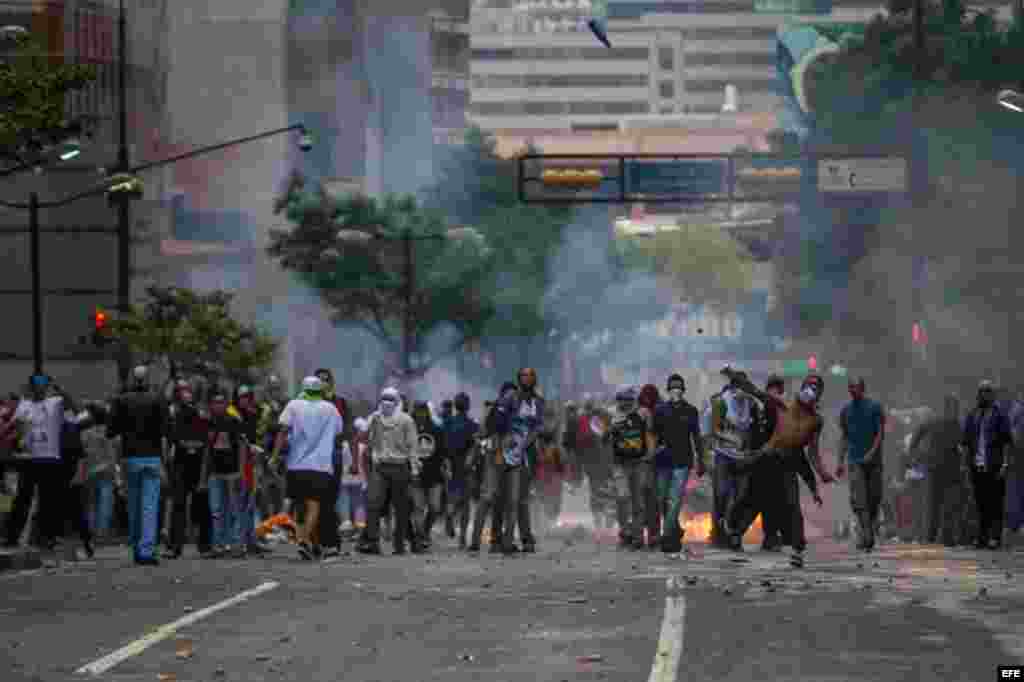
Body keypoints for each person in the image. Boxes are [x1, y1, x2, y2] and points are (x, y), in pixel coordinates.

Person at [723, 368, 832, 568]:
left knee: (792, 505)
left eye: (815, 388)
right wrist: (734, 376)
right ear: (803, 388)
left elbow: (812, 452)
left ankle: (797, 549)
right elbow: (755, 392)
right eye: (809, 386)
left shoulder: (816, 420)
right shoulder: (784, 405)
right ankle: (734, 529)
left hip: (789, 463)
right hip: (767, 458)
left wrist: (822, 474)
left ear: (819, 395)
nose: (811, 391)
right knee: (753, 497)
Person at [271, 377, 344, 560]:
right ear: (321, 390)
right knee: (314, 506)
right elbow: (338, 433)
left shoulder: (294, 405)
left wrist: (274, 456)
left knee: (299, 506)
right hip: (320, 466)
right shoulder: (331, 409)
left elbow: (282, 431)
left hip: (296, 465)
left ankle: (306, 541)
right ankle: (304, 540)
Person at [2, 375, 76, 551]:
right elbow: (14, 427)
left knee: (48, 499)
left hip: (49, 458)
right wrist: (17, 435)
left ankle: (47, 537)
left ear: (47, 387)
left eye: (43, 386)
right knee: (22, 498)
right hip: (28, 458)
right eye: (36, 386)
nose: (39, 390)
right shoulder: (25, 405)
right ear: (31, 387)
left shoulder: (55, 403)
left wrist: (61, 389)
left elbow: (72, 408)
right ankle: (12, 535)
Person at [106, 366, 167, 566]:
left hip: (130, 457)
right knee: (149, 506)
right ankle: (146, 550)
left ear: (132, 379)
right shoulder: (158, 399)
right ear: (147, 380)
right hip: (152, 457)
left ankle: (136, 547)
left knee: (133, 505)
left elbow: (110, 430)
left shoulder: (121, 400)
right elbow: (166, 430)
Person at [358, 387, 417, 556]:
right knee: (373, 504)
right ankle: (373, 542)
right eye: (384, 398)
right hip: (380, 468)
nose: (387, 401)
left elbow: (413, 446)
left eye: (390, 398)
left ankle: (399, 544)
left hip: (401, 467)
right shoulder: (375, 418)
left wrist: (414, 469)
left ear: (397, 400)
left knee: (401, 508)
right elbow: (363, 437)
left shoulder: (406, 420)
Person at [708, 370, 761, 551]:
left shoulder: (751, 403)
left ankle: (734, 533)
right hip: (723, 455)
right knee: (722, 493)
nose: (742, 392)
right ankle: (719, 531)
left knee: (741, 497)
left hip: (743, 457)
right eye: (739, 387)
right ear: (733, 386)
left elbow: (754, 429)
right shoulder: (721, 402)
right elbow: (714, 429)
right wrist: (731, 439)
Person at [652, 374, 704, 553]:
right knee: (662, 500)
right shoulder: (660, 410)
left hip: (682, 462)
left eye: (679, 387)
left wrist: (701, 459)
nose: (676, 390)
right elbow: (653, 435)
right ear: (668, 389)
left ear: (683, 390)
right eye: (673, 387)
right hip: (663, 462)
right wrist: (652, 454)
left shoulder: (691, 411)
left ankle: (667, 538)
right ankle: (674, 533)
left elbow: (696, 437)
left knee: (674, 501)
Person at [959, 380, 1013, 549]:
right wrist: (964, 464)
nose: (984, 395)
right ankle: (982, 537)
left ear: (992, 394)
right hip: (977, 465)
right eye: (982, 392)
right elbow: (965, 442)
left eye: (988, 392)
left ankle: (995, 537)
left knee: (996, 502)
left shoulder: (1000, 415)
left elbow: (1007, 441)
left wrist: (1005, 463)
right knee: (981, 503)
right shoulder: (973, 414)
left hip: (995, 464)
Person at [497, 369, 546, 553]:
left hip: (527, 453)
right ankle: (506, 539)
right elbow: (499, 420)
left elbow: (538, 427)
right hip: (507, 451)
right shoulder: (510, 397)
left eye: (531, 375)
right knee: (509, 498)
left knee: (522, 499)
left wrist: (525, 444)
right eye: (524, 376)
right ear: (519, 379)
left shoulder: (538, 401)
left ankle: (526, 539)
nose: (527, 379)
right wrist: (505, 438)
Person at [837, 378, 887, 552]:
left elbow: (880, 433)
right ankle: (867, 535)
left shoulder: (875, 407)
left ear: (862, 388)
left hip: (874, 462)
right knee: (860, 500)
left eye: (855, 387)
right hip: (855, 461)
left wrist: (872, 453)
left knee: (874, 498)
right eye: (849, 387)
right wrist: (840, 461)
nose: (852, 390)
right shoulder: (845, 411)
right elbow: (844, 437)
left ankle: (868, 529)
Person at [165, 381, 211, 559]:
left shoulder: (201, 413)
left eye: (188, 391)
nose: (186, 394)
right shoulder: (173, 413)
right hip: (180, 464)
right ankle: (175, 546)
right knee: (178, 505)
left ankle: (204, 545)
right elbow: (170, 438)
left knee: (201, 504)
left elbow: (206, 439)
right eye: (182, 391)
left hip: (198, 463)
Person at [605, 388, 656, 550]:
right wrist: (610, 430)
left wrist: (650, 454)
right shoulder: (611, 414)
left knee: (638, 502)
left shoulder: (643, 414)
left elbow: (649, 434)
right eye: (622, 399)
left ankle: (638, 537)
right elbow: (603, 438)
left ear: (633, 400)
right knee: (622, 496)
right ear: (618, 400)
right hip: (619, 463)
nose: (625, 402)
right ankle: (624, 530)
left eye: (628, 399)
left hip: (639, 462)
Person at [201, 391, 248, 559]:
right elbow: (207, 450)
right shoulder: (209, 423)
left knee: (235, 510)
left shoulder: (234, 421)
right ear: (211, 405)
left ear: (226, 404)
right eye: (215, 402)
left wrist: (241, 473)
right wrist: (203, 477)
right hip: (215, 473)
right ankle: (218, 546)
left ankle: (238, 545)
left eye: (221, 402)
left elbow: (242, 448)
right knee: (216, 510)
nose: (218, 405)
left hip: (233, 473)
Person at [444, 392, 479, 549]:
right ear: (468, 406)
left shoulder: (448, 422)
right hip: (466, 466)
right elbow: (476, 445)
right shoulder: (472, 424)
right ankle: (463, 538)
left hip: (451, 465)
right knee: (465, 503)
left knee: (452, 498)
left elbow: (442, 445)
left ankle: (450, 516)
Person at [81, 401, 118, 543]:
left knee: (90, 502)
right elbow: (118, 449)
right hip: (108, 469)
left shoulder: (86, 434)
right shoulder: (112, 433)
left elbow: (82, 452)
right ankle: (102, 533)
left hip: (90, 470)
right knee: (106, 501)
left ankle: (90, 531)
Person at [410, 401, 444, 552]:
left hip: (434, 476)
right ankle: (420, 538)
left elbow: (442, 453)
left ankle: (425, 530)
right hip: (415, 476)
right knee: (418, 508)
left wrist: (445, 468)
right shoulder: (408, 430)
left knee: (435, 508)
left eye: (423, 411)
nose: (421, 414)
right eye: (418, 411)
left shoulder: (436, 430)